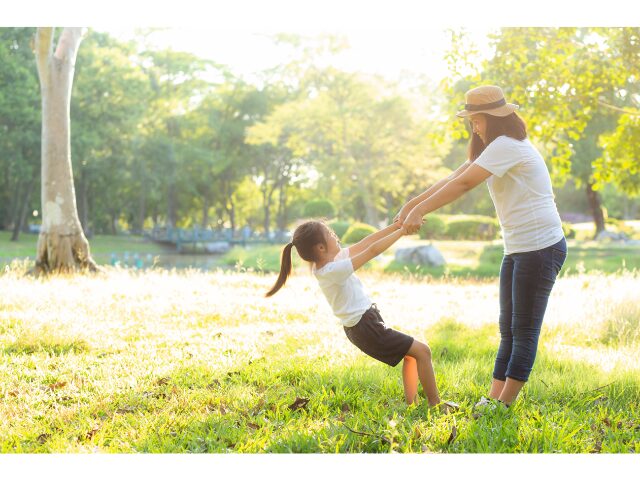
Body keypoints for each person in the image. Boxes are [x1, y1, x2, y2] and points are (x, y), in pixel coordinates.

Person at [397, 85, 567, 409]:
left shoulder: (507, 146)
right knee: (508, 328)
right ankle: (493, 399)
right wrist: (411, 205)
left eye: (477, 120)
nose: (473, 126)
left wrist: (419, 211)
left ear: (493, 118)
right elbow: (454, 176)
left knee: (524, 328)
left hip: (540, 248)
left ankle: (504, 405)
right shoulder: (494, 148)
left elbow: (463, 185)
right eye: (471, 121)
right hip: (518, 247)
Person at [266, 219, 457, 410]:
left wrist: (397, 226)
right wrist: (402, 232)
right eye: (330, 234)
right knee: (423, 351)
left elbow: (366, 243)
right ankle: (435, 404)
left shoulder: (332, 261)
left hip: (364, 324)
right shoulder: (331, 270)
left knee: (412, 355)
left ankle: (412, 405)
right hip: (365, 328)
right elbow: (371, 251)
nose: (335, 236)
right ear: (321, 247)